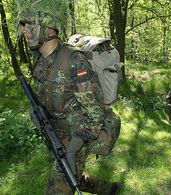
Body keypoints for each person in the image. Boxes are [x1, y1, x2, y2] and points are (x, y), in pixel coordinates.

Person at [18, 1, 121, 194]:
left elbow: (95, 114)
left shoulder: (74, 61)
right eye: (23, 26)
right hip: (56, 136)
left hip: (76, 140)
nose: (25, 31)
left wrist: (72, 151)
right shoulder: (41, 59)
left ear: (49, 29)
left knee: (57, 188)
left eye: (30, 25)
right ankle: (109, 189)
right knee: (74, 177)